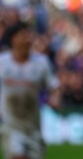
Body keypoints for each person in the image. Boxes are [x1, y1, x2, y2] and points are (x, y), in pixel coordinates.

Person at [0, 21, 60, 159]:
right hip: (10, 126)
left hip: (33, 127)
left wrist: (54, 99)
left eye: (29, 35)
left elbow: (54, 87)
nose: (28, 39)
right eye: (23, 35)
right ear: (13, 39)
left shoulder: (41, 63)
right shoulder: (2, 63)